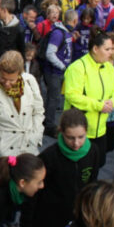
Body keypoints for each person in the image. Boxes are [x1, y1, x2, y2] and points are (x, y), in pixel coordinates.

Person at [19, 108, 100, 227]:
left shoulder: (93, 151)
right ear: (61, 132)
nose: (76, 143)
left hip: (77, 224)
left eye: (81, 137)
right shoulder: (49, 157)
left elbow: (92, 186)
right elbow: (33, 194)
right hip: (48, 223)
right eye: (70, 138)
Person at [64, 29, 114, 166]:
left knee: (97, 166)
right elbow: (72, 95)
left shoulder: (108, 67)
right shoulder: (77, 67)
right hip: (79, 132)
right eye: (107, 49)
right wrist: (99, 105)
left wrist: (113, 102)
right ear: (95, 49)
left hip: (101, 130)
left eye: (111, 49)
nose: (111, 53)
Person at [0, 50, 44, 168]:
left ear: (20, 73)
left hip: (29, 150)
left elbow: (38, 112)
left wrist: (36, 137)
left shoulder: (30, 81)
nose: (7, 83)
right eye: (3, 78)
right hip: (1, 157)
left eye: (12, 80)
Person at [42, 9, 76, 137]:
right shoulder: (58, 33)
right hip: (54, 72)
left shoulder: (67, 33)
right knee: (53, 99)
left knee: (55, 99)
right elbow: (50, 53)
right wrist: (62, 66)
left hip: (59, 71)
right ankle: (49, 125)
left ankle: (48, 122)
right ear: (74, 21)